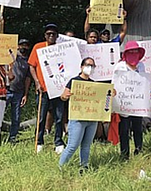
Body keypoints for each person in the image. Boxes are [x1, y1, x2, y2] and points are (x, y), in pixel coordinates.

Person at [28, 23, 66, 154]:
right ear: (45, 35)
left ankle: (59, 142)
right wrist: (37, 82)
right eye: (48, 34)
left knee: (59, 117)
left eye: (53, 34)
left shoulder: (60, 49)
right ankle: (39, 141)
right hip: (42, 89)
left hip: (57, 89)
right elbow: (31, 66)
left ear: (57, 36)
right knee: (41, 117)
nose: (51, 36)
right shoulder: (38, 47)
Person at [59, 57, 99, 173]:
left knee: (86, 146)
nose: (90, 68)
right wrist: (64, 96)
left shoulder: (94, 84)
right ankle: (61, 167)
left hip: (91, 119)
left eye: (92, 66)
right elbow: (63, 97)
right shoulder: (73, 81)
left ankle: (84, 167)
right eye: (87, 65)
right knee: (72, 145)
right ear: (81, 67)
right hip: (77, 119)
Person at [114, 40, 146, 160]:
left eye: (135, 51)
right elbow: (115, 83)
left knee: (138, 127)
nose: (133, 54)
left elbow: (144, 81)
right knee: (124, 129)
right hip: (124, 103)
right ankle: (124, 154)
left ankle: (139, 150)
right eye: (130, 52)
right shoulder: (120, 66)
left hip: (137, 101)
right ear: (126, 53)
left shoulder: (141, 65)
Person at [6, 39, 32, 143]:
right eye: (21, 45)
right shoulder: (11, 57)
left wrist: (25, 94)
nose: (23, 47)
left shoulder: (28, 62)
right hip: (7, 90)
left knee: (16, 117)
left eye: (26, 45)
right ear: (17, 46)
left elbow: (28, 79)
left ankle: (12, 138)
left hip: (19, 92)